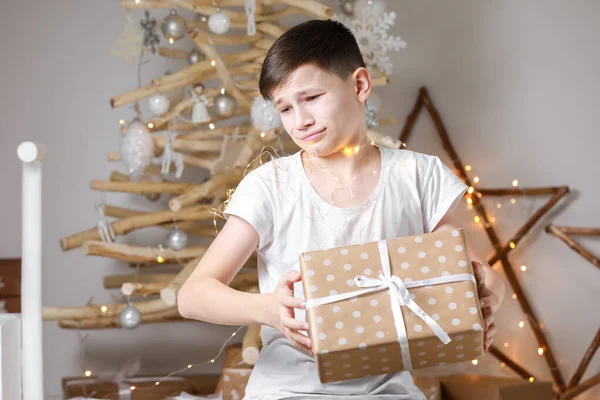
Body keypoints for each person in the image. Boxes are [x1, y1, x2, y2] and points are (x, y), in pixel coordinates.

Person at [178, 19, 505, 399]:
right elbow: (193, 295)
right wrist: (269, 308)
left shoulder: (418, 175)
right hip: (288, 390)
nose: (299, 121)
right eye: (284, 108)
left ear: (360, 85)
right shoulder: (271, 185)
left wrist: (486, 297)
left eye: (312, 98)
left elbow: (471, 270)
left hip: (390, 389)